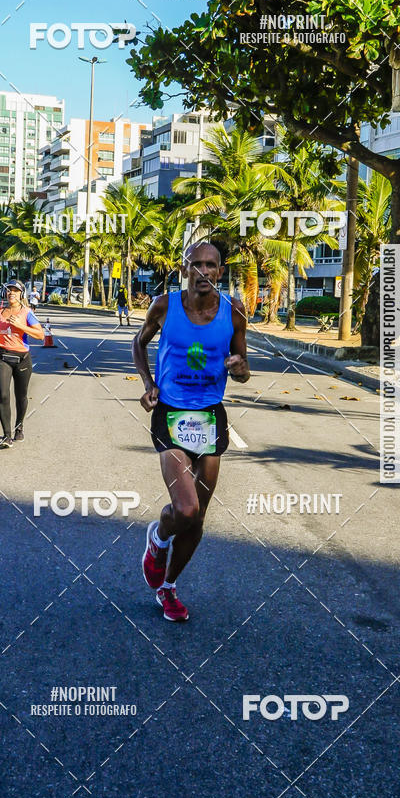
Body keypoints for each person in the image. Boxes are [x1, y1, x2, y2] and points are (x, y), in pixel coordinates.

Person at [132, 242, 250, 621]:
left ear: (220, 270)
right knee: (185, 507)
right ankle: (158, 538)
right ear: (184, 271)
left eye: (210, 265)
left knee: (197, 519)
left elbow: (245, 368)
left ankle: (168, 587)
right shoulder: (165, 306)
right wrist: (149, 384)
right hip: (170, 411)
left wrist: (238, 367)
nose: (203, 272)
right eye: (195, 265)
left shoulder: (234, 312)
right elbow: (139, 342)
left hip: (210, 416)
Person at [0, 279, 44, 448]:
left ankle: (19, 426)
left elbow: (40, 335)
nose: (11, 293)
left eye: (15, 291)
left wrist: (21, 326)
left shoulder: (27, 312)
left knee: (21, 396)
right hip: (1, 357)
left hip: (22, 358)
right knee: (3, 395)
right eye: (9, 290)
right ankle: (6, 436)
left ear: (21, 293)